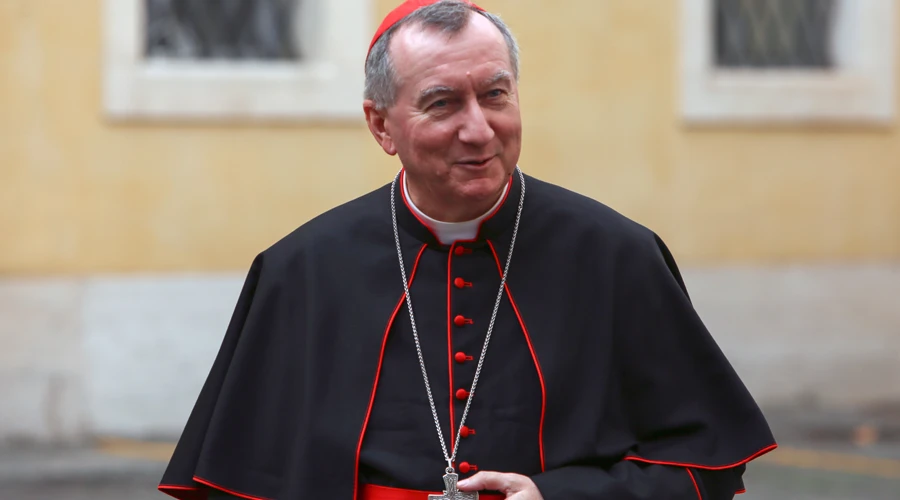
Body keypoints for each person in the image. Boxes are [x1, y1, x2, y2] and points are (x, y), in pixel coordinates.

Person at [158, 1, 777, 499]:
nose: (479, 129)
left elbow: (707, 467)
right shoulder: (301, 270)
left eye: (496, 95)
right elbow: (233, 483)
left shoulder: (617, 255)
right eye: (442, 103)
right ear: (381, 126)